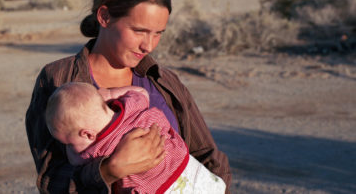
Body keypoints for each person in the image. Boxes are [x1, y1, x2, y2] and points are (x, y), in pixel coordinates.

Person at [25, 0, 232, 193]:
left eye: (158, 33)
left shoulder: (163, 80)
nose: (149, 45)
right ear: (104, 17)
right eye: (139, 31)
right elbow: (51, 180)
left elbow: (206, 154)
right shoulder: (58, 79)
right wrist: (109, 171)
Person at [45, 82, 226, 194]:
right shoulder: (131, 106)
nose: (69, 148)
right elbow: (141, 92)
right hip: (190, 171)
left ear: (87, 134)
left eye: (68, 143)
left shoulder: (96, 150)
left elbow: (75, 162)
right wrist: (108, 93)